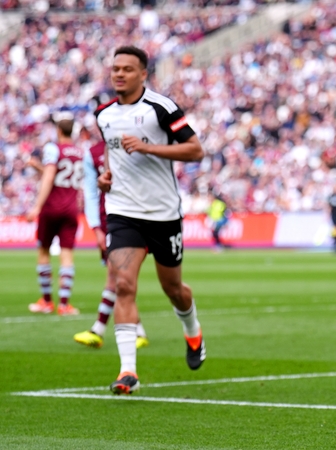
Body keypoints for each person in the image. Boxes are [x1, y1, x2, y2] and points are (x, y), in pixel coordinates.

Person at [95, 46, 206, 395]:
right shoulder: (103, 115)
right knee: (123, 284)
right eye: (116, 68)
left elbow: (195, 150)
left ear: (143, 74)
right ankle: (128, 371)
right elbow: (111, 155)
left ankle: (193, 332)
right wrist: (105, 177)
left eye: (127, 69)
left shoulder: (161, 108)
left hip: (163, 213)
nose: (119, 74)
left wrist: (148, 148)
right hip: (122, 212)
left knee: (173, 289)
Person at [73, 138, 149, 349]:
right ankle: (138, 331)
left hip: (132, 220)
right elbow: (91, 192)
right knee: (121, 278)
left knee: (116, 275)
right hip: (109, 221)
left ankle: (98, 329)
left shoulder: (134, 143)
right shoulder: (93, 152)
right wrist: (96, 227)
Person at [27, 113, 84, 316]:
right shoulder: (80, 152)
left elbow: (51, 177)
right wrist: (39, 168)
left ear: (58, 130)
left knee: (43, 252)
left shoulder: (53, 148)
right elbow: (62, 175)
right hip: (71, 208)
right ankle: (65, 304)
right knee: (67, 255)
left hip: (51, 207)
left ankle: (47, 301)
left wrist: (36, 207)